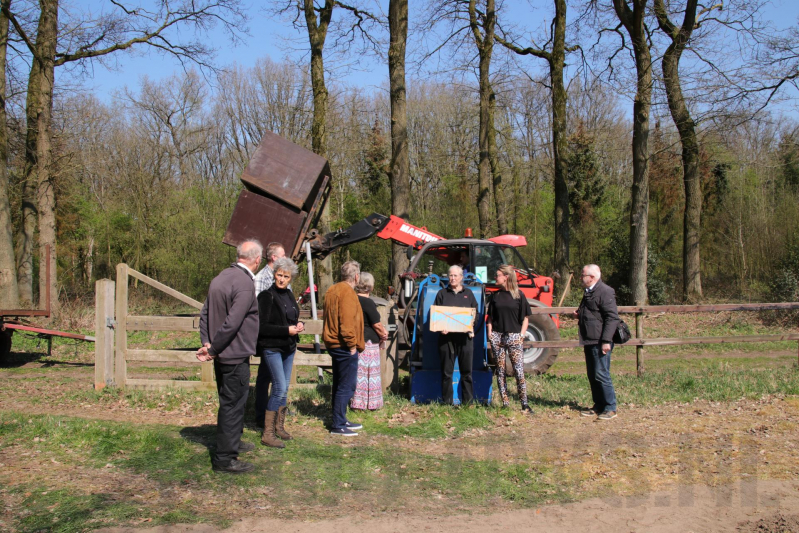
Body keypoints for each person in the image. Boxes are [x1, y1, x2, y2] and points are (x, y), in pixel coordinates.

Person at [197, 239, 262, 474]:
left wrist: (207, 342)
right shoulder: (244, 283)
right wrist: (212, 348)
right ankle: (225, 458)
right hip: (233, 355)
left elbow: (204, 313)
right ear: (257, 260)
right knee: (233, 405)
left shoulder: (221, 277)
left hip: (223, 353)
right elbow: (233, 322)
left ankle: (232, 442)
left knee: (230, 402)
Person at [255, 257, 305, 448]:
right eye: (279, 275)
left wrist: (298, 325)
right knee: (279, 387)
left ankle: (279, 427)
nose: (282, 279)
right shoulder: (266, 296)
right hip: (272, 347)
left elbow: (292, 318)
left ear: (291, 278)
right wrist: (286, 330)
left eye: (286, 276)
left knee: (284, 390)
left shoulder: (290, 295)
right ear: (274, 274)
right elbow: (262, 327)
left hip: (289, 347)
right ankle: (267, 433)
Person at [323, 260, 365, 436]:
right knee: (346, 385)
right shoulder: (347, 292)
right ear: (356, 276)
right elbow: (346, 322)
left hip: (334, 343)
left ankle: (340, 418)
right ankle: (338, 424)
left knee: (340, 383)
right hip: (344, 345)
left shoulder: (332, 289)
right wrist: (352, 345)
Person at [574, 264, 620, 420]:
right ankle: (599, 405)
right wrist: (579, 314)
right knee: (593, 374)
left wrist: (606, 340)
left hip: (600, 340)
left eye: (583, 275)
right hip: (589, 338)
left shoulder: (605, 291)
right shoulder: (589, 292)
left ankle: (610, 407)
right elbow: (594, 312)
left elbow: (612, 318)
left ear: (592, 277)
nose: (581, 277)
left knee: (601, 374)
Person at [487, 264, 533, 412]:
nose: (495, 278)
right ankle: (505, 403)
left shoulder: (519, 295)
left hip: (514, 336)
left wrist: (521, 335)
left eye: (497, 275)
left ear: (506, 277)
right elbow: (490, 318)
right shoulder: (495, 296)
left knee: (518, 370)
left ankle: (524, 403)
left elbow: (525, 317)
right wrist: (490, 333)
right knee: (500, 371)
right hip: (497, 337)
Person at [434, 265, 478, 405]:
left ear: (461, 277)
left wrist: (471, 326)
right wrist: (441, 327)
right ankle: (446, 403)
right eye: (450, 275)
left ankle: (468, 403)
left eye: (455, 276)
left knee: (467, 372)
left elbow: (475, 313)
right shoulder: (442, 293)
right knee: (447, 373)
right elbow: (436, 314)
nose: (452, 278)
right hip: (446, 339)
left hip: (465, 339)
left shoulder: (469, 294)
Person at [350, 272, 388, 411]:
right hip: (369, 342)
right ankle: (371, 403)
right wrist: (384, 335)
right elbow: (376, 324)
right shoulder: (368, 302)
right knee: (370, 374)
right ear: (370, 286)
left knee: (358, 373)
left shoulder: (352, 299)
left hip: (356, 340)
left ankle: (357, 403)